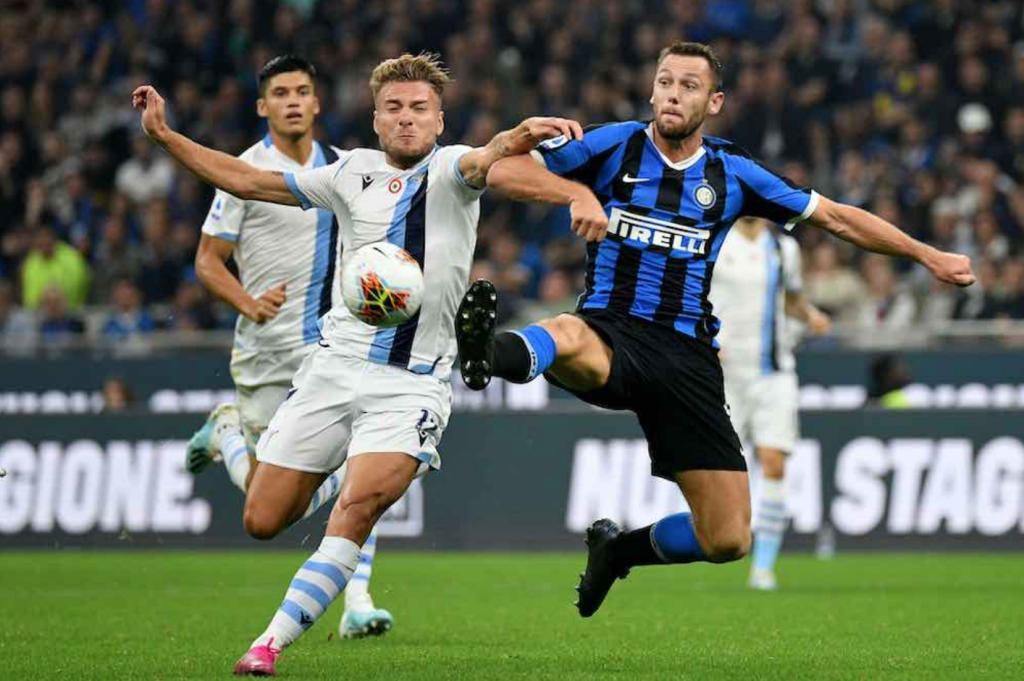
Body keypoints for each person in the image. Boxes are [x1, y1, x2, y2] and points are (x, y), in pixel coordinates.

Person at [454, 41, 974, 618]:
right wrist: (574, 191)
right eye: (666, 82)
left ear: (715, 101)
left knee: (728, 538)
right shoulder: (611, 145)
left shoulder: (733, 173)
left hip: (687, 356)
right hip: (613, 329)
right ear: (652, 89)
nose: (674, 94)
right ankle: (483, 353)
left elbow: (835, 218)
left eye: (690, 86)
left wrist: (926, 254)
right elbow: (499, 168)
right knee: (568, 334)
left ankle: (618, 551)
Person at [132, 52, 604, 675]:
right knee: (263, 518)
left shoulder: (452, 169)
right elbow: (245, 181)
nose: (407, 120)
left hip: (411, 386)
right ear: (376, 121)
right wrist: (166, 135)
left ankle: (266, 646)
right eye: (394, 109)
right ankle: (257, 444)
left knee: (356, 509)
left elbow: (490, 157)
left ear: (439, 120)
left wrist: (523, 143)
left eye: (419, 109)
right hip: (333, 369)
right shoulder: (346, 172)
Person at [183, 55, 391, 640]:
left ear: (318, 102)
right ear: (263, 106)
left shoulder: (342, 169)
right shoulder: (245, 172)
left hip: (333, 348)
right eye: (281, 93)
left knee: (365, 468)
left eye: (303, 90)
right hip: (267, 352)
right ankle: (226, 429)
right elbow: (207, 261)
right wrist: (247, 303)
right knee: (265, 499)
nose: (294, 101)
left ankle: (357, 600)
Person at [708, 216, 831, 591]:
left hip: (773, 371)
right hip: (725, 371)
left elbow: (790, 299)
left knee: (774, 462)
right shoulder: (716, 242)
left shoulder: (783, 248)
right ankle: (721, 541)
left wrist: (810, 316)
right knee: (723, 468)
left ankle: (763, 568)